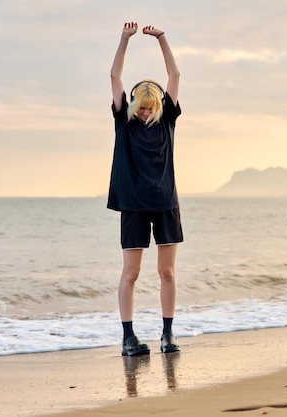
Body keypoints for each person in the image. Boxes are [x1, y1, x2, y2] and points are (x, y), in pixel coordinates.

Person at [107, 22, 183, 356]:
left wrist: (161, 38)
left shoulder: (167, 121)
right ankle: (128, 339)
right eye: (144, 104)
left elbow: (175, 75)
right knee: (132, 273)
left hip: (165, 202)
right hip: (134, 205)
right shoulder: (124, 121)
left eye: (153, 104)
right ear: (136, 104)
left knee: (167, 272)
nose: (148, 109)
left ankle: (168, 335)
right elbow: (114, 77)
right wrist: (125, 40)